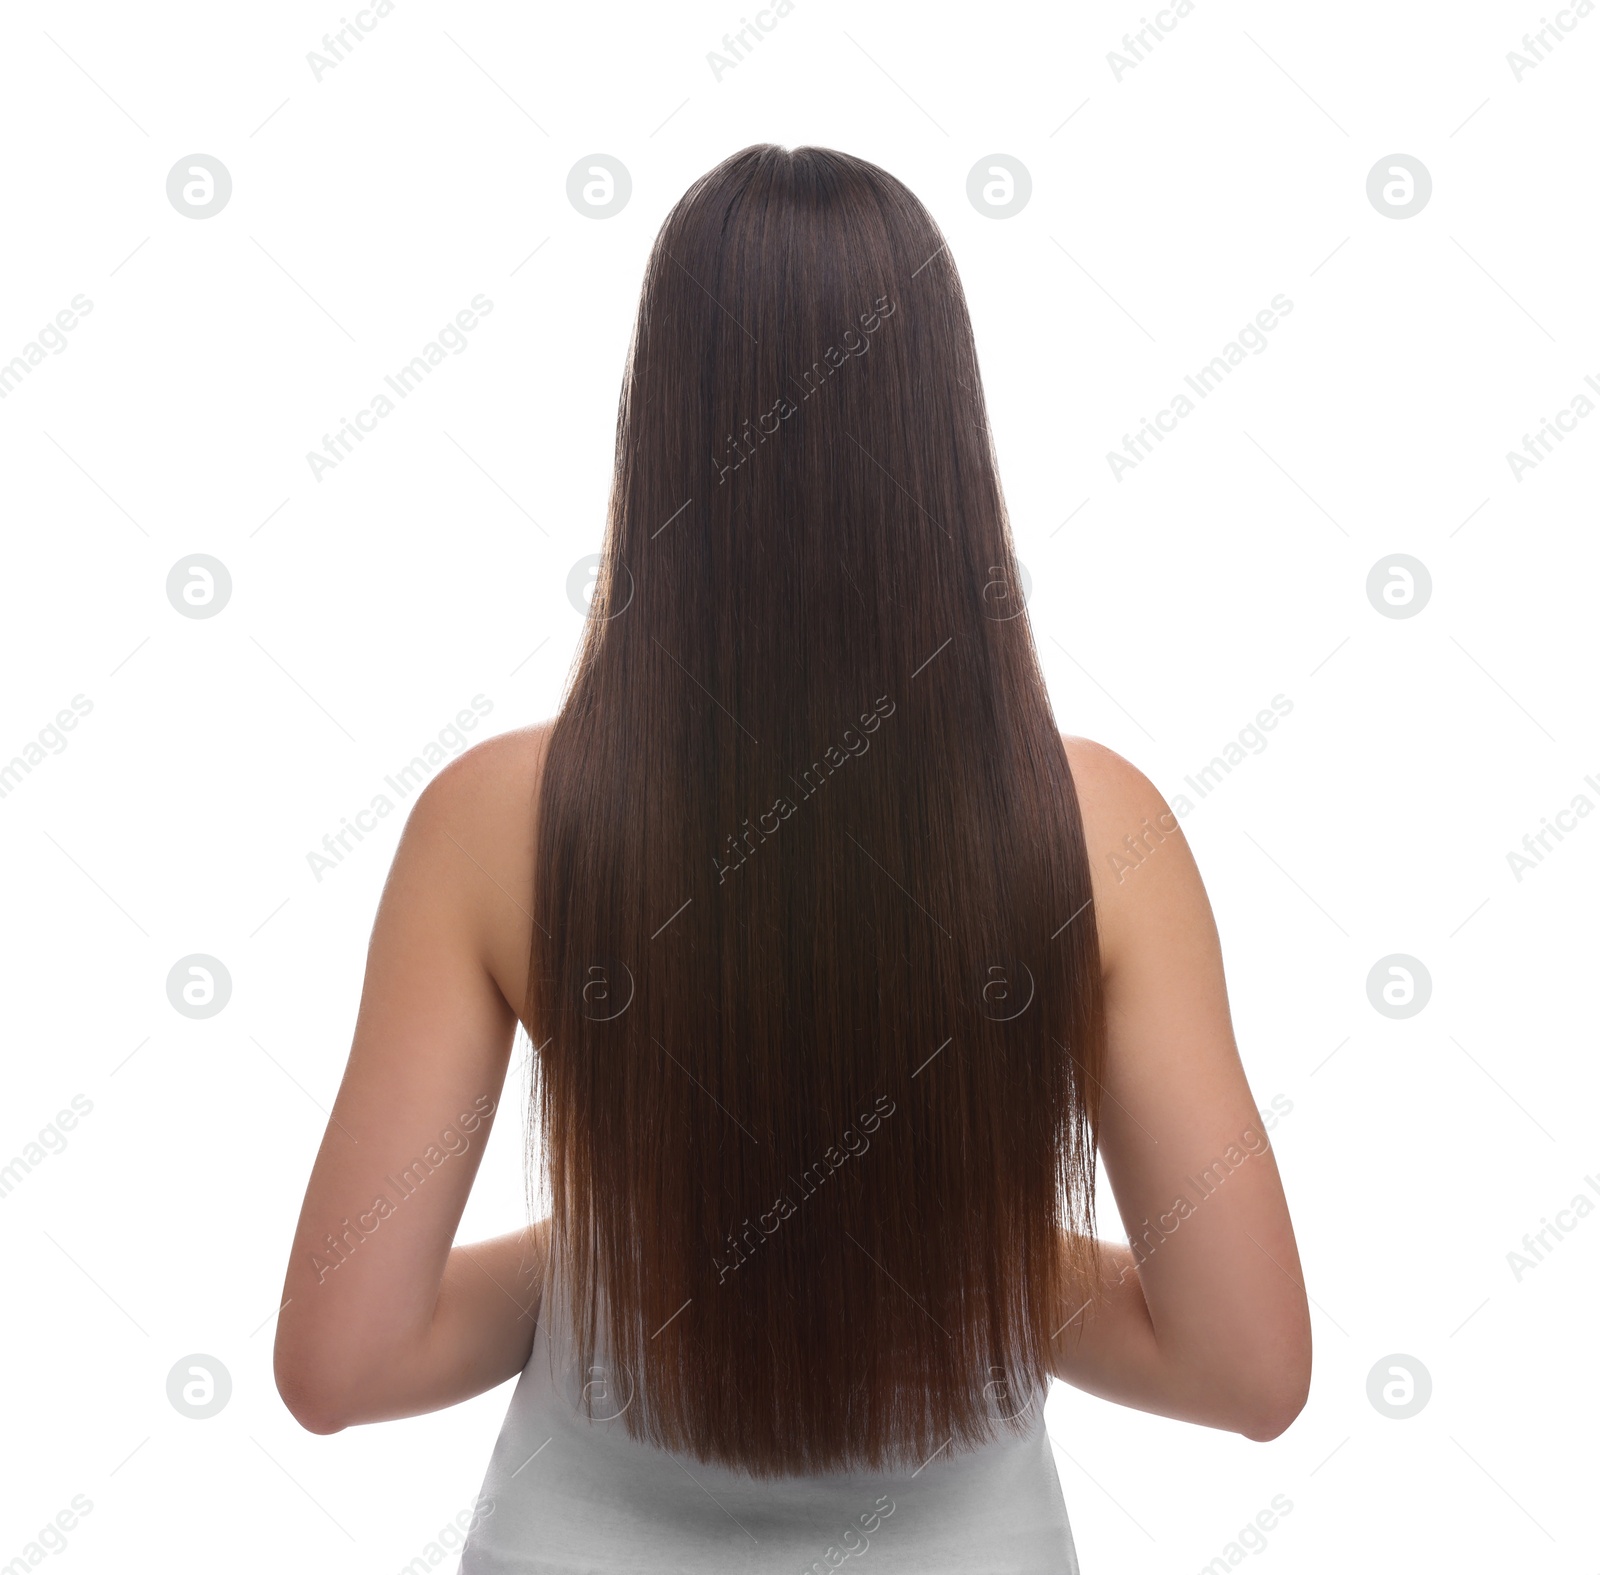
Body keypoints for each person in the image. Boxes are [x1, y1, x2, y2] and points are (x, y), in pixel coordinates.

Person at [273, 144, 1311, 1573]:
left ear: (662, 421)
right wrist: (935, 1252)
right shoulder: (1094, 831)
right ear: (946, 431)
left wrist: (639, 1258)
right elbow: (1244, 1370)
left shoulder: (494, 823)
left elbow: (345, 1362)